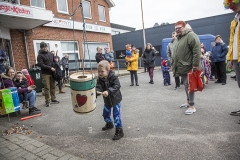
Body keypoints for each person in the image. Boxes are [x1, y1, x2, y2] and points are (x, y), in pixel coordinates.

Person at [171, 21, 201, 115]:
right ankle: (188, 102)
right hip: (182, 66)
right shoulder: (178, 38)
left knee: (189, 86)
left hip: (189, 66)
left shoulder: (191, 35)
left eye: (179, 28)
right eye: (176, 28)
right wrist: (173, 65)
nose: (177, 30)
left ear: (184, 27)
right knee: (186, 85)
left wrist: (195, 65)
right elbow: (175, 54)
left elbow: (196, 50)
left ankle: (192, 106)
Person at [96, 60, 124, 140]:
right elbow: (98, 87)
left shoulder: (113, 77)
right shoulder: (100, 79)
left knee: (116, 115)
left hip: (115, 100)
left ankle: (119, 131)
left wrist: (108, 91)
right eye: (98, 71)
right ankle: (109, 124)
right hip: (107, 100)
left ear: (108, 71)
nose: (100, 73)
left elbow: (117, 86)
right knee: (105, 114)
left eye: (102, 71)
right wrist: (96, 92)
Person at [224, 1, 240, 123]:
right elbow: (232, 40)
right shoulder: (234, 21)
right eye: (230, 6)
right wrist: (230, 58)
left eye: (234, 5)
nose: (232, 8)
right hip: (236, 58)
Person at [37, 42, 59, 107]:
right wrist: (50, 68)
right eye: (43, 47)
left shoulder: (50, 54)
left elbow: (53, 62)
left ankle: (53, 99)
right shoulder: (40, 55)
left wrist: (56, 61)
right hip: (45, 73)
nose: (45, 48)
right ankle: (47, 101)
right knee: (47, 87)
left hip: (52, 73)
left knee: (53, 86)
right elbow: (41, 64)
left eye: (46, 47)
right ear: (41, 48)